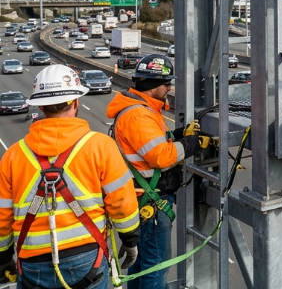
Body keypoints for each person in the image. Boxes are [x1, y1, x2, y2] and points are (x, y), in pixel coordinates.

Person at [0, 64, 140, 289]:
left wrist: (3, 257)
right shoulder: (101, 146)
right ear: (76, 102)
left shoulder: (13, 156)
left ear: (41, 107)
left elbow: (2, 216)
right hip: (86, 259)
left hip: (32, 263)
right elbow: (122, 202)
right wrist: (130, 239)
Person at [107, 54, 206, 289]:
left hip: (142, 199)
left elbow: (151, 144)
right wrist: (192, 143)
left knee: (142, 263)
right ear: (153, 86)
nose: (169, 88)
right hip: (151, 201)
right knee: (156, 266)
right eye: (166, 84)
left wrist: (180, 134)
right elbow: (161, 156)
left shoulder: (140, 108)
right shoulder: (138, 114)